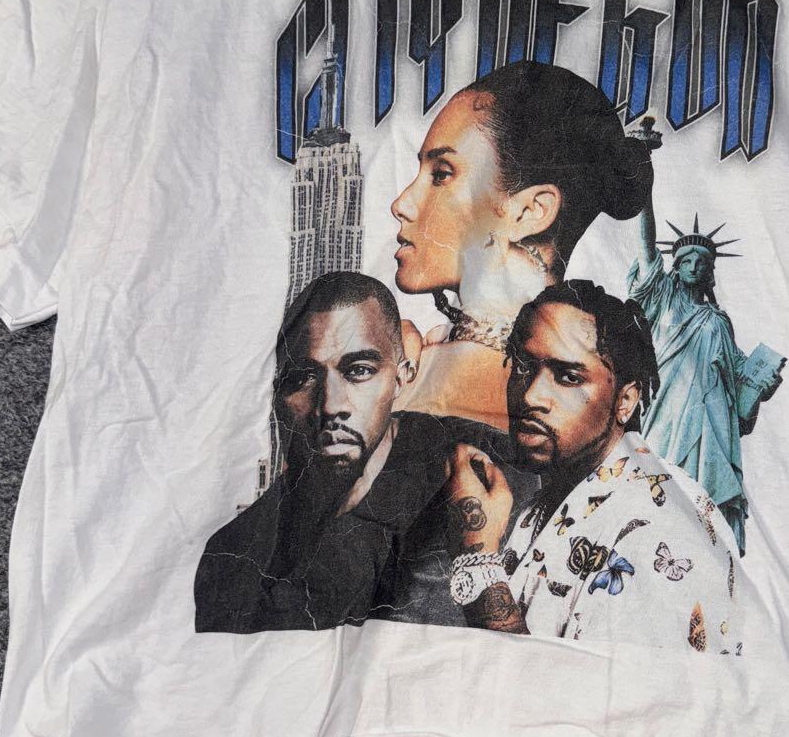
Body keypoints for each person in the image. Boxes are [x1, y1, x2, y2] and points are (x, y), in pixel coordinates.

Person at [194, 271, 533, 633]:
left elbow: (534, 662)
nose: (331, 405)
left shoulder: (490, 477)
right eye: (303, 378)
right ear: (277, 395)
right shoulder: (232, 556)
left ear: (401, 377)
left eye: (358, 371)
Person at [440, 280, 740, 653]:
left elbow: (577, 692)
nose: (531, 395)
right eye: (523, 366)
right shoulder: (555, 497)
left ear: (625, 401)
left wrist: (478, 557)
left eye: (569, 377)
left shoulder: (661, 530)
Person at [390, 60, 653, 430]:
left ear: (530, 212)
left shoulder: (453, 386)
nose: (401, 204)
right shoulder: (423, 358)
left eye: (442, 174)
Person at [626, 150, 784, 555]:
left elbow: (740, 385)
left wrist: (761, 386)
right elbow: (645, 244)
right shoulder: (662, 298)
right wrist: (643, 170)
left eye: (702, 261)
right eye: (686, 260)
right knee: (657, 485)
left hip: (712, 417)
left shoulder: (719, 321)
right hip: (666, 406)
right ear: (675, 267)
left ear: (710, 271)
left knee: (704, 508)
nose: (694, 265)